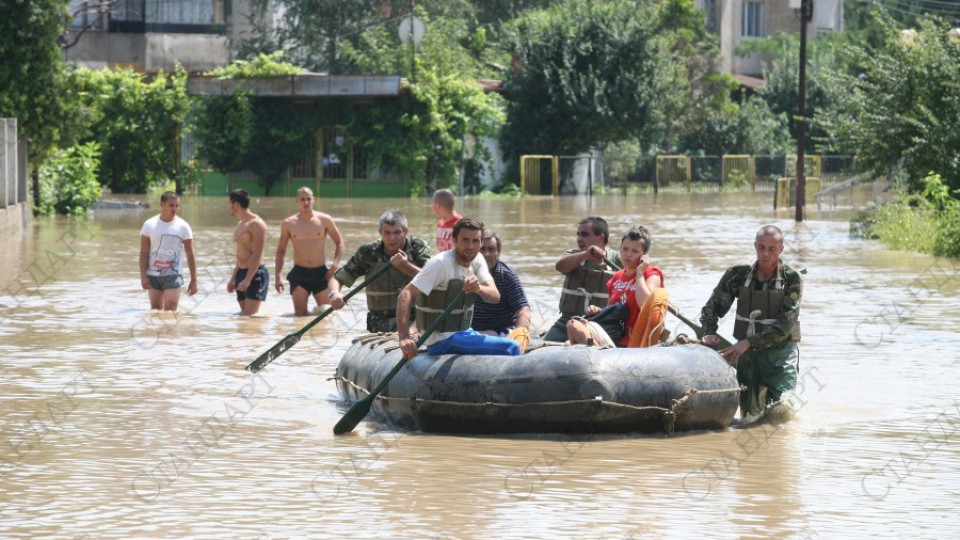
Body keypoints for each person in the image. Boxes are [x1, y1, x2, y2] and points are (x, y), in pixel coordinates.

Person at [699, 224, 802, 421]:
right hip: (747, 358)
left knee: (783, 411)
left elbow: (785, 325)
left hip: (780, 356)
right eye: (761, 247)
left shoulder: (792, 279)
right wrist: (709, 332)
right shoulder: (738, 275)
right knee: (749, 419)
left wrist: (748, 342)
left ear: (781, 248)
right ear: (755, 246)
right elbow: (711, 308)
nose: (765, 254)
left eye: (772, 249)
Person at [396, 218, 520, 359]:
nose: (470, 246)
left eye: (475, 241)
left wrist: (478, 288)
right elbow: (405, 294)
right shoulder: (440, 263)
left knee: (509, 341)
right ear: (454, 241)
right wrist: (404, 337)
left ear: (480, 243)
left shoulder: (478, 259)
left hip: (465, 333)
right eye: (465, 240)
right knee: (512, 346)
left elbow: (495, 296)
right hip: (441, 340)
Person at [331, 209, 432, 332]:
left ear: (405, 231)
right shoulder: (369, 252)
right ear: (380, 232)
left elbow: (431, 281)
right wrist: (334, 293)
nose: (392, 238)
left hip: (414, 319)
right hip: (380, 322)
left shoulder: (418, 248)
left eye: (397, 232)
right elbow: (338, 277)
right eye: (387, 233)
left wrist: (405, 266)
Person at [566, 226, 665, 348]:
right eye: (625, 249)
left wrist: (639, 273)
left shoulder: (652, 274)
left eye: (635, 251)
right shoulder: (616, 277)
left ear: (644, 256)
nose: (628, 254)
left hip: (633, 342)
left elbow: (646, 305)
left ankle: (595, 353)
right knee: (568, 341)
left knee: (573, 325)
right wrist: (599, 310)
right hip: (613, 335)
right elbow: (612, 311)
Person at [542, 216, 621, 342]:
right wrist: (585, 255)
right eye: (578, 234)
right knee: (544, 346)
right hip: (567, 321)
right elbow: (560, 266)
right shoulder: (575, 255)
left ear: (600, 237)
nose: (579, 239)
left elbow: (635, 275)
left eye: (584, 235)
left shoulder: (617, 259)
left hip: (601, 324)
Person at [275, 186, 346, 316]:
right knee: (300, 316)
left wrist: (335, 265)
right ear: (297, 201)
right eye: (302, 199)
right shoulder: (289, 223)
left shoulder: (325, 220)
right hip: (299, 273)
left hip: (321, 273)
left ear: (314, 200)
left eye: (308, 199)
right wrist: (277, 275)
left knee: (326, 314)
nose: (306, 202)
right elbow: (281, 250)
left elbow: (339, 242)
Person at [471, 231, 532, 351]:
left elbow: (523, 310)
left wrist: (519, 335)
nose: (486, 254)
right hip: (470, 332)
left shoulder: (507, 276)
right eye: (482, 249)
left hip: (499, 332)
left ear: (498, 253)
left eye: (491, 249)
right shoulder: (464, 272)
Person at [139, 191, 198, 311]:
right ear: (162, 205)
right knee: (155, 311)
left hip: (173, 274)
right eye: (171, 205)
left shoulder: (183, 226)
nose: (174, 208)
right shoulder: (149, 224)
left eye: (177, 205)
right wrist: (143, 276)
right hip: (153, 274)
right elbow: (144, 252)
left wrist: (194, 280)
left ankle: (171, 330)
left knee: (170, 311)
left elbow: (191, 254)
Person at [226, 189, 269, 316]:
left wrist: (248, 279)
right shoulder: (241, 223)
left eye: (229, 203)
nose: (228, 206)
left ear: (236, 205)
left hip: (255, 275)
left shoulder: (257, 224)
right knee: (244, 317)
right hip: (241, 273)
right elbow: (240, 254)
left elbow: (257, 253)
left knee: (250, 317)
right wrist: (234, 278)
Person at [432, 188, 462, 252]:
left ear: (438, 205)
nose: (432, 206)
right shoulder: (440, 224)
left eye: (433, 203)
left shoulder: (461, 224)